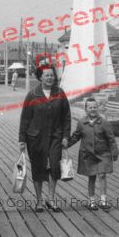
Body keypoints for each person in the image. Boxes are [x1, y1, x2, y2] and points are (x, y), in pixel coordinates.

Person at [18, 64, 71, 213]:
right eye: (46, 75)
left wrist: (66, 136)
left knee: (54, 166)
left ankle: (51, 199)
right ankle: (39, 200)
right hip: (35, 138)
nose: (50, 78)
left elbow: (66, 117)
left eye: (52, 75)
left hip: (55, 137)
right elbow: (25, 119)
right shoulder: (32, 94)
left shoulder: (60, 93)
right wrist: (22, 139)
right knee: (38, 167)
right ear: (40, 77)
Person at [66, 97, 119, 211]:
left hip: (103, 153)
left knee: (102, 175)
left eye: (95, 107)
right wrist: (66, 144)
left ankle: (103, 201)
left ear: (98, 108)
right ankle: (92, 201)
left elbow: (111, 138)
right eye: (90, 107)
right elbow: (76, 136)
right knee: (92, 177)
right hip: (88, 154)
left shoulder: (103, 122)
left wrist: (114, 152)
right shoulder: (81, 123)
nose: (93, 109)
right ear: (86, 109)